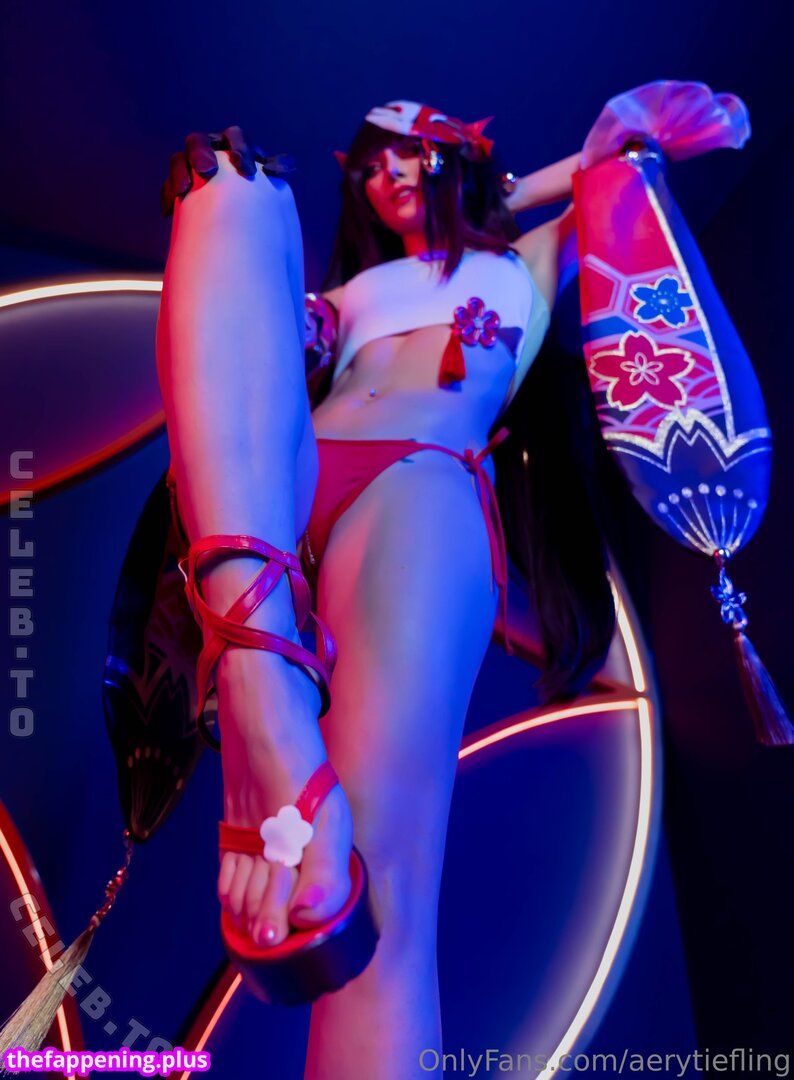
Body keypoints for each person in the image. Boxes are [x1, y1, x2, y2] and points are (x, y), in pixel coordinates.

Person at [156, 100, 613, 1078]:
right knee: (228, 197)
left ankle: (255, 670)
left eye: (409, 156)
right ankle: (260, 684)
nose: (386, 177)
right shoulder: (352, 293)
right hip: (284, 484)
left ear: (457, 157)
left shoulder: (521, 262)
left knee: (377, 887)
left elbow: (610, 167)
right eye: (368, 167)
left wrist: (496, 187)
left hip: (417, 476)